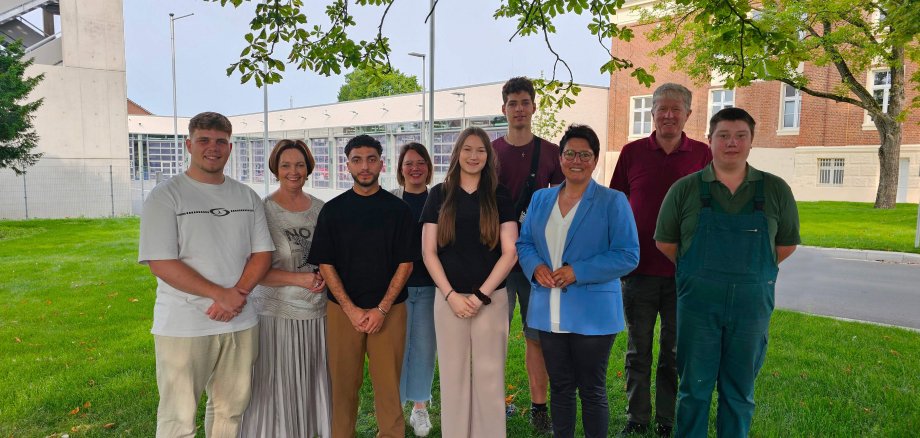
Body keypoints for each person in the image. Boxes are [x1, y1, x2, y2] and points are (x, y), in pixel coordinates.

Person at [655, 108, 800, 437]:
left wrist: (752, 269)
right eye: (723, 135)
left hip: (751, 309)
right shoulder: (685, 189)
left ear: (751, 142)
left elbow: (786, 245)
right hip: (698, 308)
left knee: (739, 392)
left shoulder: (775, 190)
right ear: (710, 141)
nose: (731, 143)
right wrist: (698, 269)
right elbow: (666, 241)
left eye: (740, 136)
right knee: (694, 389)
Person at [138, 111, 274, 437]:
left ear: (229, 147)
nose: (212, 148)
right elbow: (161, 262)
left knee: (231, 412)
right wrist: (219, 294)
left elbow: (263, 254)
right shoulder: (166, 195)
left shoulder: (246, 196)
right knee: (178, 419)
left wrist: (236, 294)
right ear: (189, 144)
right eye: (204, 140)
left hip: (241, 321)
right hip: (184, 325)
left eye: (220, 141)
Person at [517, 124, 640, 438]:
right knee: (559, 387)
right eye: (570, 153)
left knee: (591, 389)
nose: (576, 160)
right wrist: (535, 267)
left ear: (595, 160)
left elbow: (628, 255)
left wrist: (577, 271)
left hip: (593, 314)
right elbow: (525, 243)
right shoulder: (541, 199)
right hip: (549, 309)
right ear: (560, 159)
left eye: (584, 154)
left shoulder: (613, 202)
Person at [609, 83, 712, 437]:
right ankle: (637, 418)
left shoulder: (702, 154)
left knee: (673, 351)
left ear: (688, 113)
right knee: (638, 350)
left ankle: (667, 420)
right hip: (637, 272)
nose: (668, 115)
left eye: (676, 109)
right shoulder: (632, 152)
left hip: (683, 274)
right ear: (651, 113)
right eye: (661, 108)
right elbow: (616, 205)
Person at [307, 134, 417, 438]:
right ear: (348, 166)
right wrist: (351, 309)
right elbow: (325, 263)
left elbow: (405, 264)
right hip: (343, 312)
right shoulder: (333, 211)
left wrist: (381, 309)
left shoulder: (399, 211)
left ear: (381, 163)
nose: (364, 166)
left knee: (388, 388)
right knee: (343, 387)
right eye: (357, 159)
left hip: (390, 311)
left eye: (371, 159)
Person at [420, 127, 518, 438]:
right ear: (457, 153)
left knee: (490, 378)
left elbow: (510, 252)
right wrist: (450, 295)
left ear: (488, 156)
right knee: (453, 376)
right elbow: (428, 251)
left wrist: (480, 296)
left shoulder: (500, 195)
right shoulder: (439, 194)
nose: (473, 156)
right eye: (467, 149)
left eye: (480, 150)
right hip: (449, 300)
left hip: (491, 299)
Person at [239, 140, 331, 437]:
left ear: (309, 168)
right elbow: (252, 271)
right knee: (278, 385)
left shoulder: (321, 209)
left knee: (311, 383)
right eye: (286, 165)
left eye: (300, 165)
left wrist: (326, 276)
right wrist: (299, 279)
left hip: (317, 314)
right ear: (276, 169)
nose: (294, 171)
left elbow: (333, 257)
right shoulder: (262, 211)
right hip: (276, 316)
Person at [492, 76, 564, 432]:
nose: (518, 109)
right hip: (496, 261)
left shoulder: (551, 152)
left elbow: (566, 201)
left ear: (534, 107)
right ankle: (492, 402)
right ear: (503, 109)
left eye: (524, 102)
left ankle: (539, 407)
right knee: (495, 335)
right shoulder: (489, 151)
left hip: (538, 259)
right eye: (512, 103)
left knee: (536, 336)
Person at [392, 142, 437, 437]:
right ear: (400, 169)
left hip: (430, 288)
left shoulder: (440, 200)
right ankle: (393, 406)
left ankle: (419, 409)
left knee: (423, 348)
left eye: (421, 162)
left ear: (428, 168)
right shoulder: (390, 200)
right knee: (395, 349)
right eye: (409, 163)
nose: (415, 168)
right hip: (397, 291)